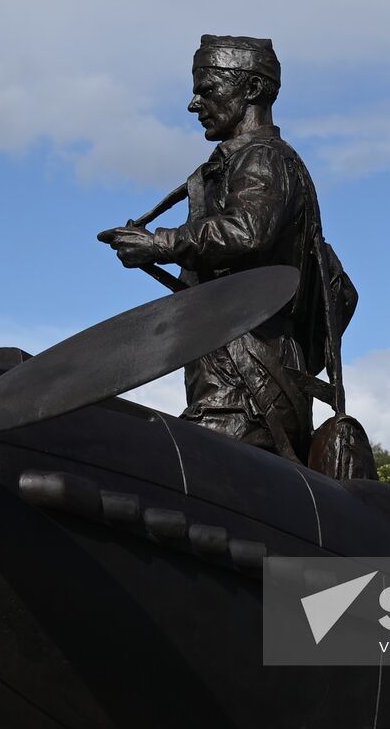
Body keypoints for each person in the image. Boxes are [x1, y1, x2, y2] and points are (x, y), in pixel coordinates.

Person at [98, 35, 355, 464]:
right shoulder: (238, 160)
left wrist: (159, 243)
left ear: (251, 90)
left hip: (250, 377)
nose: (193, 104)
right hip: (233, 369)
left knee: (179, 470)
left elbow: (248, 230)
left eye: (207, 89)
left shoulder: (263, 157)